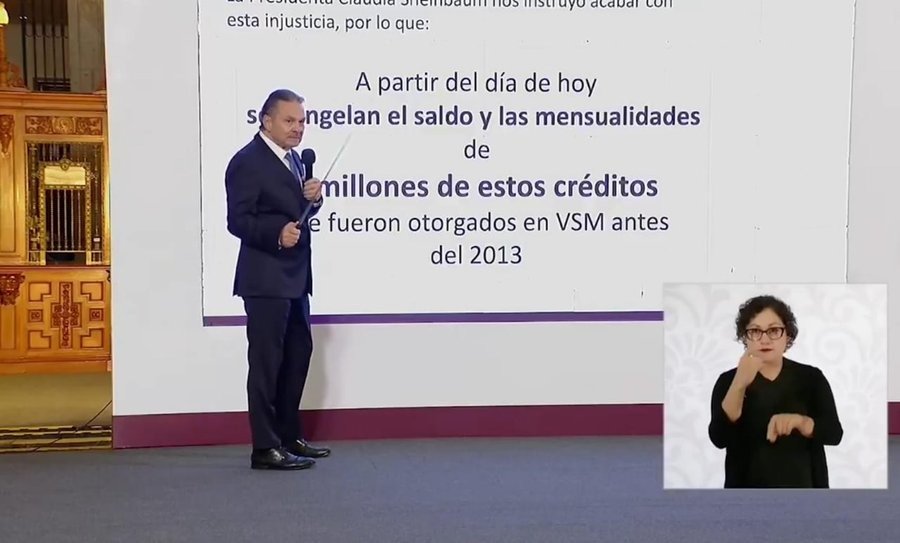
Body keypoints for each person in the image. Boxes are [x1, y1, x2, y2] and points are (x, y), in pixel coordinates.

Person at [225, 89, 331, 470]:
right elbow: (237, 220)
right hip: (265, 279)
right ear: (266, 121)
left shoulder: (296, 160)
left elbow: (296, 211)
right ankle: (265, 447)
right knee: (267, 363)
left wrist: (314, 200)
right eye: (289, 121)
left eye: (302, 121)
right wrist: (275, 233)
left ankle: (289, 436)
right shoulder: (247, 162)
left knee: (298, 355)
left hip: (296, 278)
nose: (298, 128)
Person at [708, 295, 843, 488]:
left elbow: (834, 434)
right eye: (755, 331)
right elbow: (719, 438)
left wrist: (800, 422)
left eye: (773, 330)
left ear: (787, 335)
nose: (764, 339)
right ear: (745, 337)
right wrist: (739, 383)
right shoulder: (727, 381)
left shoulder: (811, 378)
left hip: (804, 491)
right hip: (745, 493)